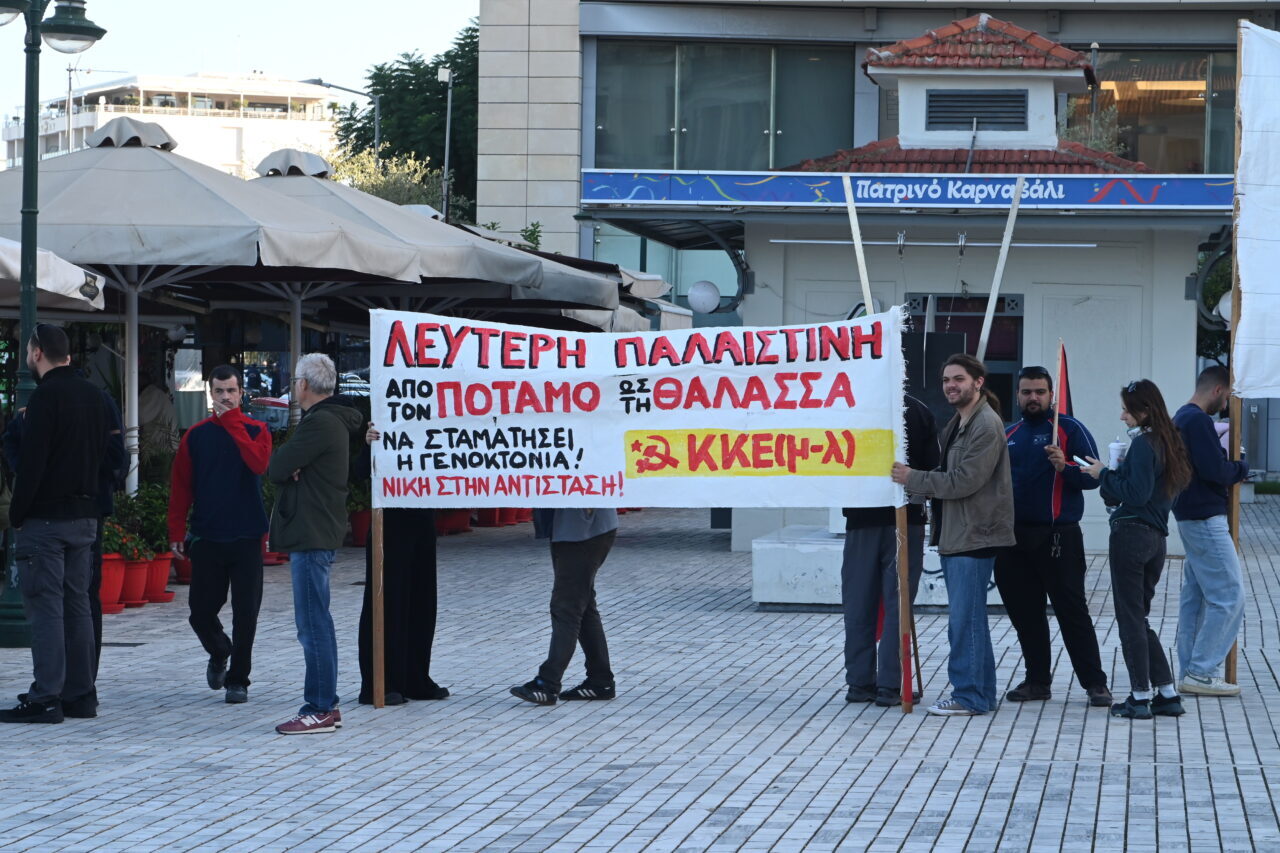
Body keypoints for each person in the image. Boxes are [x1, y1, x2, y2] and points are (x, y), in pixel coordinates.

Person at [891, 354, 1014, 717]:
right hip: (961, 534)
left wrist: (911, 478)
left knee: (966, 620)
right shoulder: (960, 422)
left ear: (978, 382)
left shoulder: (985, 425)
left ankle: (971, 695)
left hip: (975, 534)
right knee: (967, 618)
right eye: (946, 380)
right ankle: (978, 692)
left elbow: (964, 481)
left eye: (958, 379)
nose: (950, 386)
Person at [0, 324, 108, 724]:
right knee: (77, 605)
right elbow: (106, 456)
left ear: (37, 353)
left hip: (46, 519)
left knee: (45, 608)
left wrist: (17, 514)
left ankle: (46, 696)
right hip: (84, 517)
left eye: (30, 351)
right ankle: (81, 694)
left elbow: (32, 464)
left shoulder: (45, 398)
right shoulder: (95, 396)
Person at [995, 366, 1112, 707]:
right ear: (1017, 395)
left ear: (1051, 395)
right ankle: (1037, 681)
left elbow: (1094, 477)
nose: (1033, 398)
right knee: (1026, 615)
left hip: (1059, 537)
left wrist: (1065, 467)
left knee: (1072, 612)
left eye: (1040, 392)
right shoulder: (1007, 433)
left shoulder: (1070, 430)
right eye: (1027, 392)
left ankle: (1095, 683)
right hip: (1013, 539)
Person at [1081, 379, 1192, 720]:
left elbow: (1136, 492)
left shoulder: (1144, 444)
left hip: (1131, 535)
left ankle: (1140, 696)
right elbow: (1146, 491)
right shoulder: (1169, 443)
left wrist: (1103, 474)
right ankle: (1167, 693)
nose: (1122, 416)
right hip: (1155, 538)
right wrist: (1114, 477)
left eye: (1127, 410)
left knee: (1130, 620)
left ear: (1144, 411)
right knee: (1139, 618)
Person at [268, 353, 364, 734]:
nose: (294, 387)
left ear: (304, 385)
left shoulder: (320, 423)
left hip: (311, 530)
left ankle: (320, 706)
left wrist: (292, 467)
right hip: (317, 528)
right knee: (316, 619)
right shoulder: (330, 420)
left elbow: (276, 467)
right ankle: (327, 703)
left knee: (312, 623)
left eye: (295, 381)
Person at [167, 365, 272, 705]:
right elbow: (181, 486)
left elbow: (258, 464)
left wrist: (232, 423)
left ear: (241, 393)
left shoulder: (257, 430)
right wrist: (175, 530)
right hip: (208, 535)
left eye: (231, 391)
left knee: (246, 613)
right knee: (200, 611)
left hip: (246, 536)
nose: (225, 397)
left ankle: (238, 680)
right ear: (210, 394)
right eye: (219, 391)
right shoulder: (196, 435)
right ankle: (219, 650)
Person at [842, 394, 938, 707]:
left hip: (897, 518)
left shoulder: (914, 409)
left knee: (881, 603)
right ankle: (873, 683)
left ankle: (879, 683)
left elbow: (929, 467)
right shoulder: (852, 407)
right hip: (872, 518)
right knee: (876, 603)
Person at [355, 422, 448, 705]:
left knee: (421, 601)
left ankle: (415, 678)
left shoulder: (436, 422)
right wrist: (368, 444)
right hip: (389, 521)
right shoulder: (381, 420)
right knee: (386, 600)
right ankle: (381, 682)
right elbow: (358, 473)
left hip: (421, 516)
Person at [1173, 365, 1249, 697]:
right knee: (1230, 597)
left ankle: (1191, 669)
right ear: (1218, 390)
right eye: (1229, 395)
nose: (1228, 402)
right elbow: (1214, 470)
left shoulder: (1182, 417)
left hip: (1191, 515)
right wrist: (1241, 466)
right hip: (1205, 517)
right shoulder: (1197, 421)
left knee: (1198, 598)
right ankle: (1202, 672)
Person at [510, 509, 619, 706]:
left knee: (566, 607)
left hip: (582, 530)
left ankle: (548, 683)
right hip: (575, 529)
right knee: (583, 606)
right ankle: (600, 680)